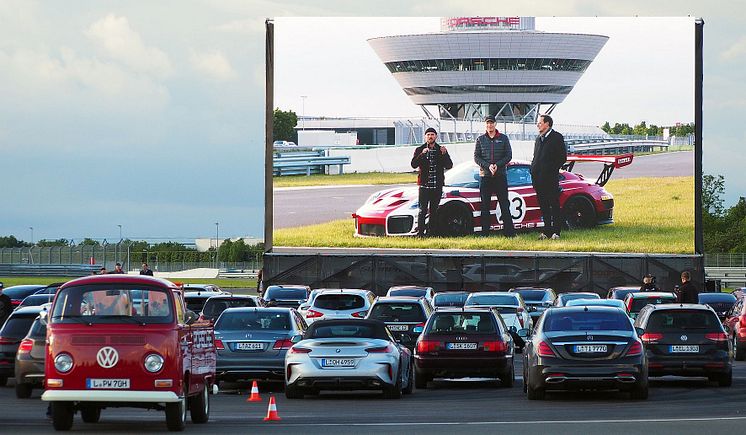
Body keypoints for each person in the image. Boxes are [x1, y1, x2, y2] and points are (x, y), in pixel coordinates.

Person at [474, 115, 515, 237]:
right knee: (485, 205)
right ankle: (484, 233)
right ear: (485, 125)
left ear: (495, 124)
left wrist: (497, 165)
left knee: (504, 204)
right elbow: (476, 157)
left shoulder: (503, 138)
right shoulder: (480, 139)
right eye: (487, 123)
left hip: (500, 176)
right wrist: (488, 166)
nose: (489, 125)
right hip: (485, 176)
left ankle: (509, 233)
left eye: (491, 123)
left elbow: (508, 156)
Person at [411, 127, 453, 237]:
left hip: (436, 186)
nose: (430, 136)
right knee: (422, 210)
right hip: (424, 186)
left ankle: (432, 233)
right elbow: (413, 164)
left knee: (434, 210)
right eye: (428, 134)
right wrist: (422, 154)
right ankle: (420, 233)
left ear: (436, 136)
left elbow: (449, 165)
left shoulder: (440, 149)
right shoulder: (420, 149)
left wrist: (445, 154)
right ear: (425, 137)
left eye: (432, 134)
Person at [531, 114, 567, 240]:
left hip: (550, 179)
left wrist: (551, 170)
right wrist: (533, 171)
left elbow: (562, 157)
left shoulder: (556, 137)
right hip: (538, 179)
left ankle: (556, 232)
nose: (538, 124)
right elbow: (536, 158)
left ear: (547, 124)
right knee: (544, 206)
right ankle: (546, 231)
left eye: (540, 122)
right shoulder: (538, 139)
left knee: (554, 205)